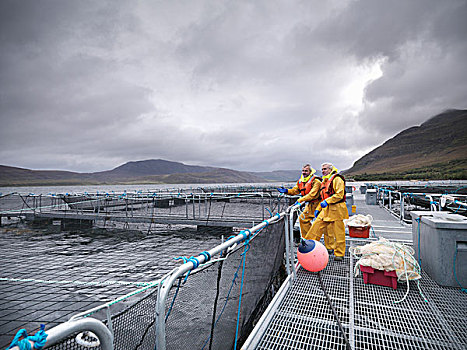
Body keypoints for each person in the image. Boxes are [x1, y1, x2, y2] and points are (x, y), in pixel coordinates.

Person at [304, 162, 348, 261]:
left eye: (325, 169)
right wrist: (318, 209)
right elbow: (323, 197)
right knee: (316, 227)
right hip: (326, 209)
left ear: (331, 169)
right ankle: (309, 247)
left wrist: (327, 202)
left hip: (337, 209)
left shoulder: (337, 179)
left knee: (338, 233)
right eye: (322, 169)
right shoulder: (325, 181)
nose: (323, 171)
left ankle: (339, 254)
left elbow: (339, 195)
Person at [277, 164, 330, 245]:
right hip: (310, 204)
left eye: (306, 171)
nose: (304, 172)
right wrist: (287, 191)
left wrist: (300, 200)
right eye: (303, 171)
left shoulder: (316, 182)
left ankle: (328, 245)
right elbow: (295, 190)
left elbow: (312, 194)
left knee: (322, 224)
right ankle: (308, 240)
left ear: (310, 172)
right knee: (302, 219)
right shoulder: (301, 181)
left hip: (319, 204)